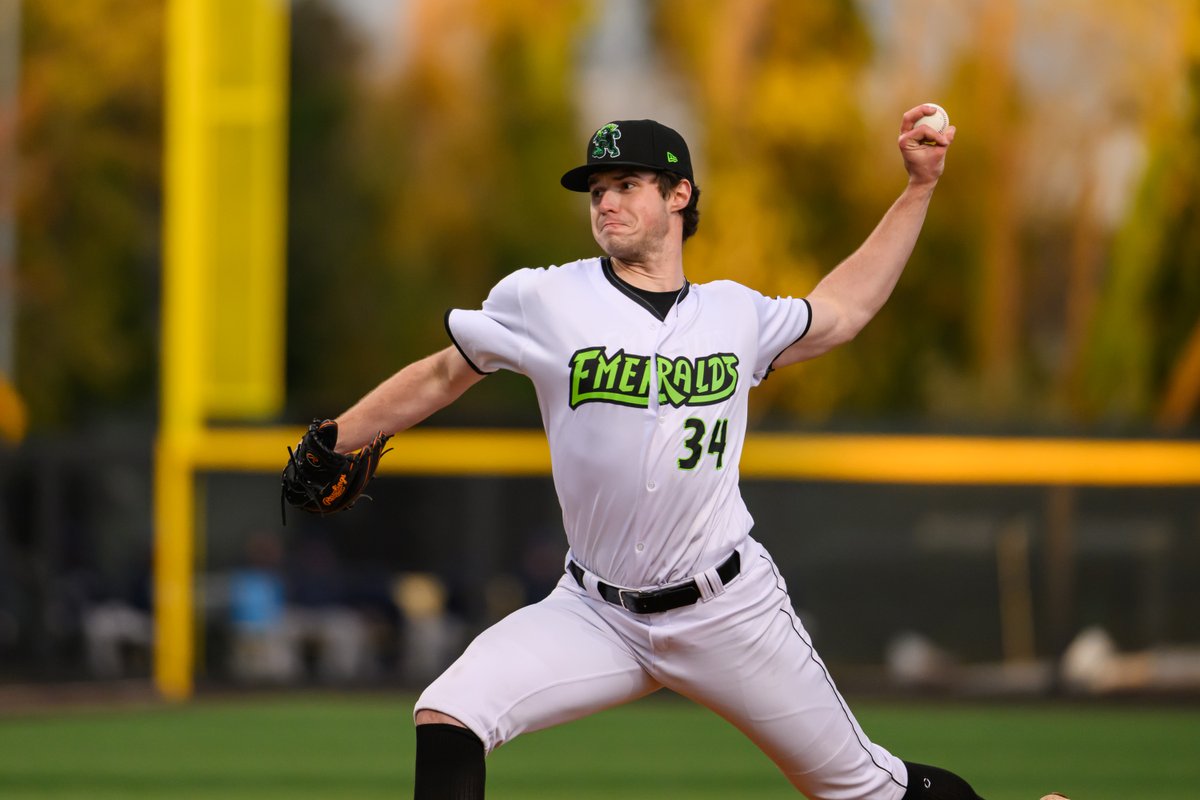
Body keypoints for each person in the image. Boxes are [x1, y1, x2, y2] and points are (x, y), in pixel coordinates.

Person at [318, 109, 1061, 799]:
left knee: (866, 790)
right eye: (598, 189)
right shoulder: (543, 300)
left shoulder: (736, 313)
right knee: (450, 710)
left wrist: (918, 188)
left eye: (627, 185)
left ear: (679, 194)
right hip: (594, 611)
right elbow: (446, 371)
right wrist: (334, 439)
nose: (606, 201)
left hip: (727, 609)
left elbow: (846, 310)